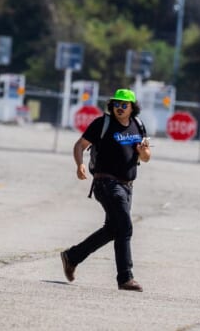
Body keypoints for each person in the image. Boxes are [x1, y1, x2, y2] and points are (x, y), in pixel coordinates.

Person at [61, 88, 151, 292]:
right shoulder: (103, 124)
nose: (119, 108)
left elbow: (145, 158)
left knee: (113, 229)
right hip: (106, 183)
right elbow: (79, 145)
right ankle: (125, 278)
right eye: (116, 104)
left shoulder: (138, 126)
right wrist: (79, 164)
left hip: (127, 186)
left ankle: (72, 256)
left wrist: (144, 153)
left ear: (132, 107)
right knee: (125, 226)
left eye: (124, 105)